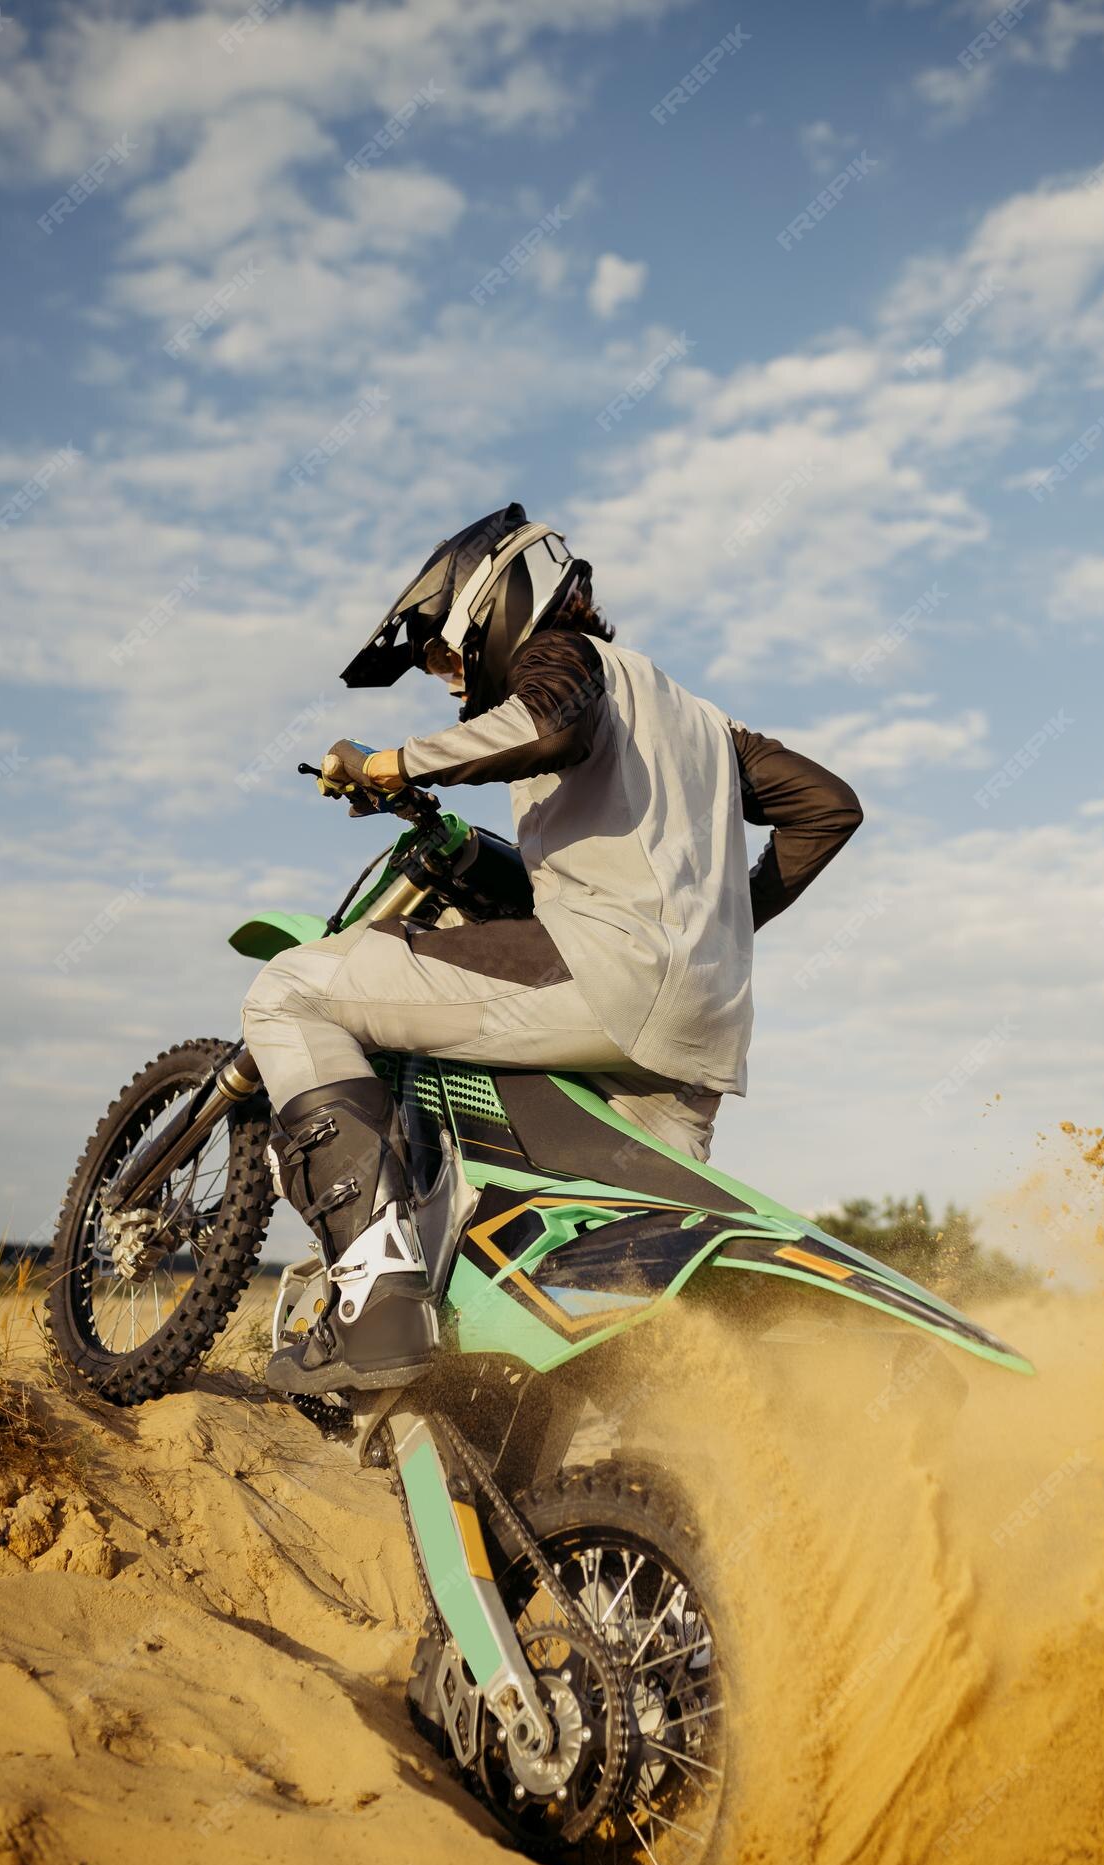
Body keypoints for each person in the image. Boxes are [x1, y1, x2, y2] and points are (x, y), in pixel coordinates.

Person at [243, 504, 862, 1397]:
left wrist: (391, 763)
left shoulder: (559, 658)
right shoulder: (696, 723)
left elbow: (549, 724)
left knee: (291, 991)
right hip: (693, 1039)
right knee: (593, 1284)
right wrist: (716, 930)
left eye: (445, 652)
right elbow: (826, 804)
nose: (446, 677)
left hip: (606, 981)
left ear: (490, 606)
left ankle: (373, 1300)